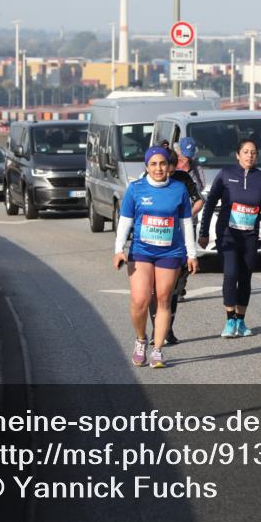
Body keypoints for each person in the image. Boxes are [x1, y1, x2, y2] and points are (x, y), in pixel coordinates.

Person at [113, 146, 198, 368]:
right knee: (139, 300)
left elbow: (185, 223)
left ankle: (158, 350)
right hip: (141, 250)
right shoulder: (136, 189)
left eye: (162, 164)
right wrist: (118, 249)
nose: (158, 168)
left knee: (163, 298)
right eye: (153, 164)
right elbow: (125, 221)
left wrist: (192, 254)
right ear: (147, 167)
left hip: (170, 252)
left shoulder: (178, 189)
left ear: (169, 166)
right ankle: (141, 339)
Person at [198, 138, 261, 338]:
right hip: (227, 234)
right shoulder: (226, 174)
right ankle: (229, 319)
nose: (250, 155)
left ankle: (241, 321)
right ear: (238, 155)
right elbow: (210, 203)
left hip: (250, 236)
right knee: (231, 273)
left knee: (245, 277)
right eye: (246, 152)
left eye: (253, 152)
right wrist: (204, 232)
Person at [148, 148, 203, 345]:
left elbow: (199, 200)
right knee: (154, 290)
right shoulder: (148, 179)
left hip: (177, 242)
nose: (166, 174)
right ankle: (156, 330)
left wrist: (185, 217)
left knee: (171, 290)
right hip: (153, 244)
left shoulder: (182, 179)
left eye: (170, 170)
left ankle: (167, 329)